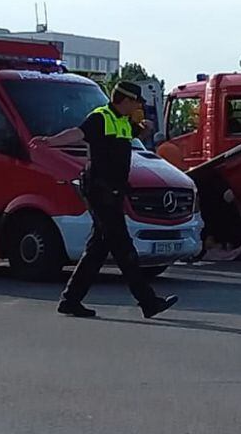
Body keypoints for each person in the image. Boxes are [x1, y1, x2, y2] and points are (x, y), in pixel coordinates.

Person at [33, 82, 178, 318]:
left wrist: (145, 129)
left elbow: (132, 135)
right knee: (123, 247)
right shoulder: (100, 117)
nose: (138, 106)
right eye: (136, 102)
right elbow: (77, 133)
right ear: (125, 100)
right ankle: (148, 302)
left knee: (98, 249)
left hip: (113, 191)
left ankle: (70, 300)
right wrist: (49, 141)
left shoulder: (123, 121)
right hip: (100, 191)